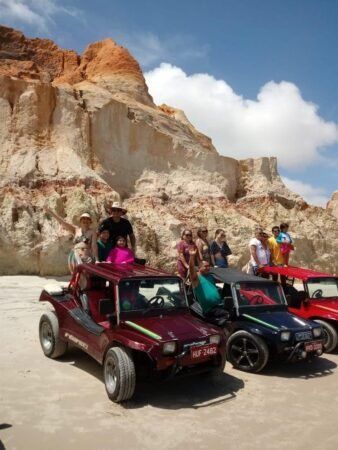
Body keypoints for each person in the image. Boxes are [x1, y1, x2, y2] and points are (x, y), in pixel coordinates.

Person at [188, 248, 226, 319]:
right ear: (199, 268)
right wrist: (192, 256)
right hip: (210, 310)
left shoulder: (211, 276)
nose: (208, 268)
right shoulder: (197, 278)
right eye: (205, 266)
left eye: (209, 266)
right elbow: (191, 269)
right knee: (227, 316)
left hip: (220, 306)